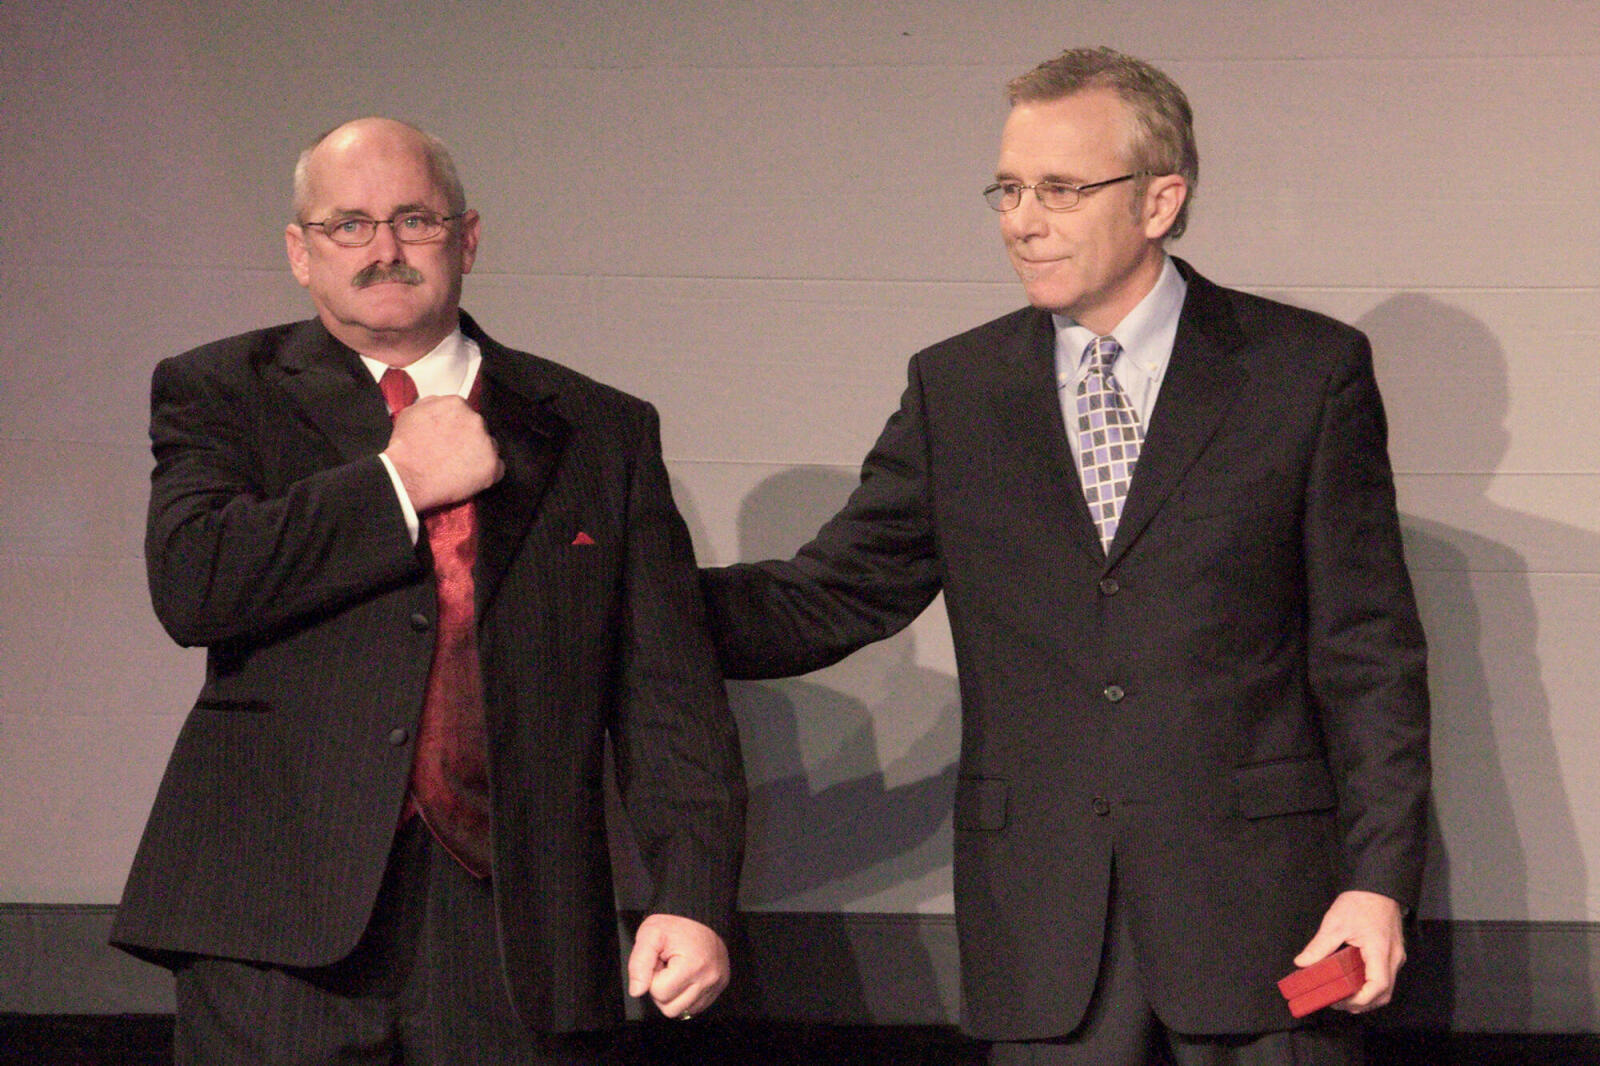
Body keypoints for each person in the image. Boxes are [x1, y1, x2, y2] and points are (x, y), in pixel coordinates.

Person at [700, 47, 1429, 1065]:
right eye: (1006, 188)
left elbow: (1367, 655)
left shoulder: (1301, 375)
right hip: (1046, 930)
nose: (1019, 220)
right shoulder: (957, 391)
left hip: (1263, 919)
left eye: (1058, 188)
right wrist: (602, 601)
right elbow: (829, 598)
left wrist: (1379, 878)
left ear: (1159, 198)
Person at [112, 117, 746, 1065]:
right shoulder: (221, 391)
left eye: (415, 220)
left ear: (468, 237)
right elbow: (194, 583)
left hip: (512, 925)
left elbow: (666, 695)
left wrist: (692, 895)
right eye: (348, 225)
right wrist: (396, 485)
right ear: (300, 251)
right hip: (274, 927)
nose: (384, 250)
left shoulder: (599, 429)